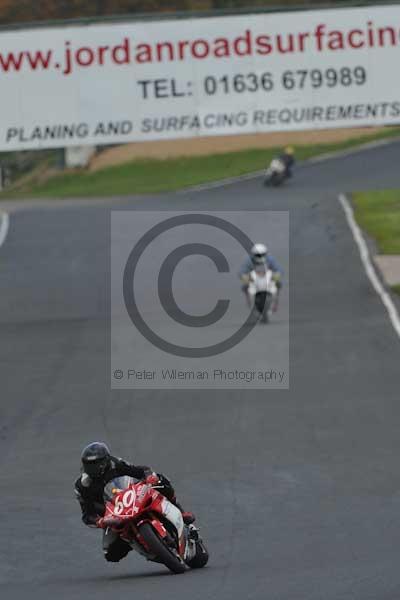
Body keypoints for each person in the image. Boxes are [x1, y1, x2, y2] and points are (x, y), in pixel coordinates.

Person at [74, 441, 195, 563]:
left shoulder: (115, 464)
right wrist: (99, 521)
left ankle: (180, 510)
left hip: (132, 495)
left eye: (96, 463)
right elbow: (87, 514)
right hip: (112, 514)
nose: (93, 468)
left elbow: (139, 470)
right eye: (89, 464)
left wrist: (149, 476)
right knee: (111, 554)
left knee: (160, 482)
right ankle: (141, 544)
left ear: (105, 460)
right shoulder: (82, 486)